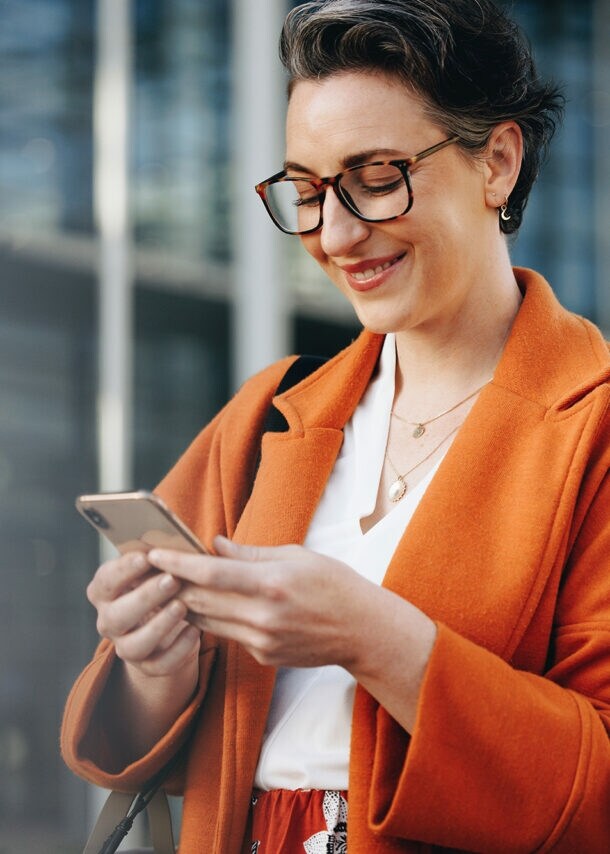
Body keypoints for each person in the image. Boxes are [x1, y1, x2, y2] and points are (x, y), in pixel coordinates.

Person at [61, 1, 610, 851]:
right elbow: (127, 750)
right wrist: (154, 669)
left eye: (378, 176)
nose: (336, 233)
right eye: (309, 191)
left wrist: (377, 639)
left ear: (498, 161)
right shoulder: (267, 416)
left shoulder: (593, 428)